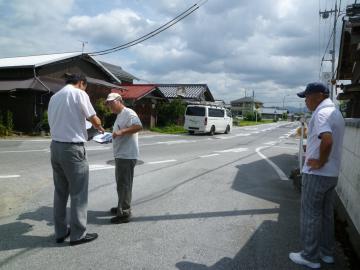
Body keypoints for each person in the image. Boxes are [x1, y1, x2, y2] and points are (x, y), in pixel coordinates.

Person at [289, 82, 345, 269]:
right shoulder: (336, 113)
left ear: (319, 95)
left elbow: (327, 141)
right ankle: (326, 253)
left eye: (307, 96)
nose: (305, 101)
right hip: (332, 174)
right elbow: (327, 141)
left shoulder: (321, 114)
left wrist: (319, 161)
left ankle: (309, 256)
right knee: (326, 215)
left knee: (310, 215)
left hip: (317, 174)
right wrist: (312, 149)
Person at [48, 73, 105, 246]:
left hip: (55, 147)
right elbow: (93, 118)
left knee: (60, 191)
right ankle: (78, 234)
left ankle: (60, 232)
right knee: (78, 193)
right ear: (81, 83)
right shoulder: (79, 93)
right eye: (85, 86)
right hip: (72, 149)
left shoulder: (55, 97)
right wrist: (99, 126)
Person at [105, 92, 142, 224]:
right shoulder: (119, 115)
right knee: (121, 184)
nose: (110, 105)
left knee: (124, 184)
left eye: (111, 103)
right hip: (121, 154)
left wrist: (121, 132)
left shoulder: (128, 112)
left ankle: (125, 213)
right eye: (108, 103)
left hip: (127, 155)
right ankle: (121, 206)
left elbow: (138, 126)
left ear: (119, 101)